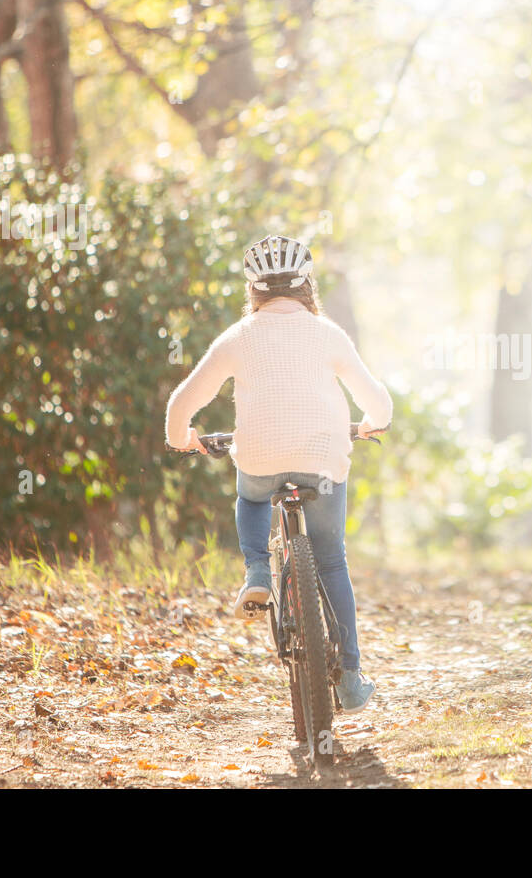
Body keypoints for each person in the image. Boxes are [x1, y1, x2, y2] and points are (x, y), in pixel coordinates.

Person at [165, 235, 392, 711]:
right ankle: (350, 678)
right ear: (306, 284)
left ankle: (257, 570)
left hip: (261, 459)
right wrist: (372, 423)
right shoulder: (328, 333)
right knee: (332, 561)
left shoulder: (238, 338)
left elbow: (181, 404)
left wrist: (182, 436)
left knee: (250, 498)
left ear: (254, 290)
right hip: (323, 462)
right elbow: (379, 403)